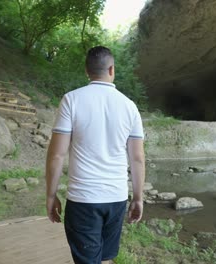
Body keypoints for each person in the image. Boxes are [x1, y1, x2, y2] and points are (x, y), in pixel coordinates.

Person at [45, 46, 146, 264]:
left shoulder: (71, 100)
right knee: (105, 258)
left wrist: (51, 196)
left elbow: (56, 155)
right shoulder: (130, 106)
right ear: (112, 69)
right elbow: (137, 158)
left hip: (83, 200)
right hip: (116, 198)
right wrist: (138, 198)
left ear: (87, 70)